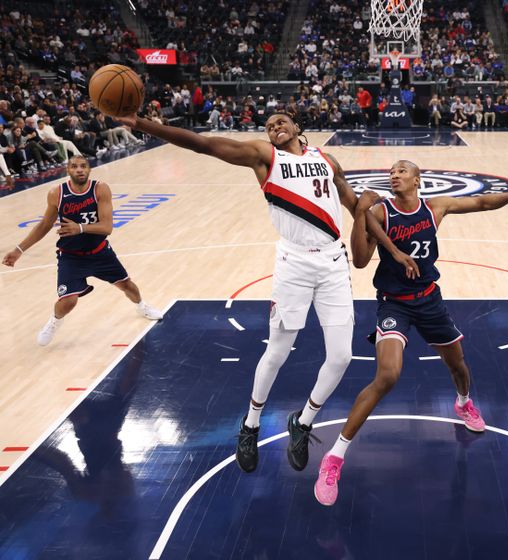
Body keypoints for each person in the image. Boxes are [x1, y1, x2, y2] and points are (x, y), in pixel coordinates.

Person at [115, 110, 418, 474]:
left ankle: (303, 422)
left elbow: (356, 207)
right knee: (277, 351)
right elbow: (203, 144)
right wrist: (144, 125)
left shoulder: (326, 159)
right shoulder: (265, 157)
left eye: (281, 122)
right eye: (269, 125)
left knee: (341, 357)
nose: (274, 127)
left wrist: (392, 246)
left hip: (333, 260)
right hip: (293, 264)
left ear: (296, 127)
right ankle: (251, 424)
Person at [313, 160, 508, 506]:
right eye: (392, 171)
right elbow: (360, 261)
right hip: (394, 304)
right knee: (388, 375)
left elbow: (479, 202)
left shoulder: (435, 207)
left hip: (429, 300)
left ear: (418, 180)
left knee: (458, 366)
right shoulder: (381, 212)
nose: (394, 175)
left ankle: (463, 403)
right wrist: (360, 214)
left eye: (402, 171)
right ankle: (334, 457)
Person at [2, 155, 163, 346]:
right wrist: (19, 249)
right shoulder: (56, 193)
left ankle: (141, 306)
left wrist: (79, 228)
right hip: (71, 257)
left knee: (127, 285)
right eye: (74, 166)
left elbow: (107, 227)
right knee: (68, 302)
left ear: (89, 169)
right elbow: (45, 224)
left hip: (100, 252)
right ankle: (54, 322)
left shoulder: (100, 189)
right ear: (67, 170)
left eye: (83, 166)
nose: (79, 169)